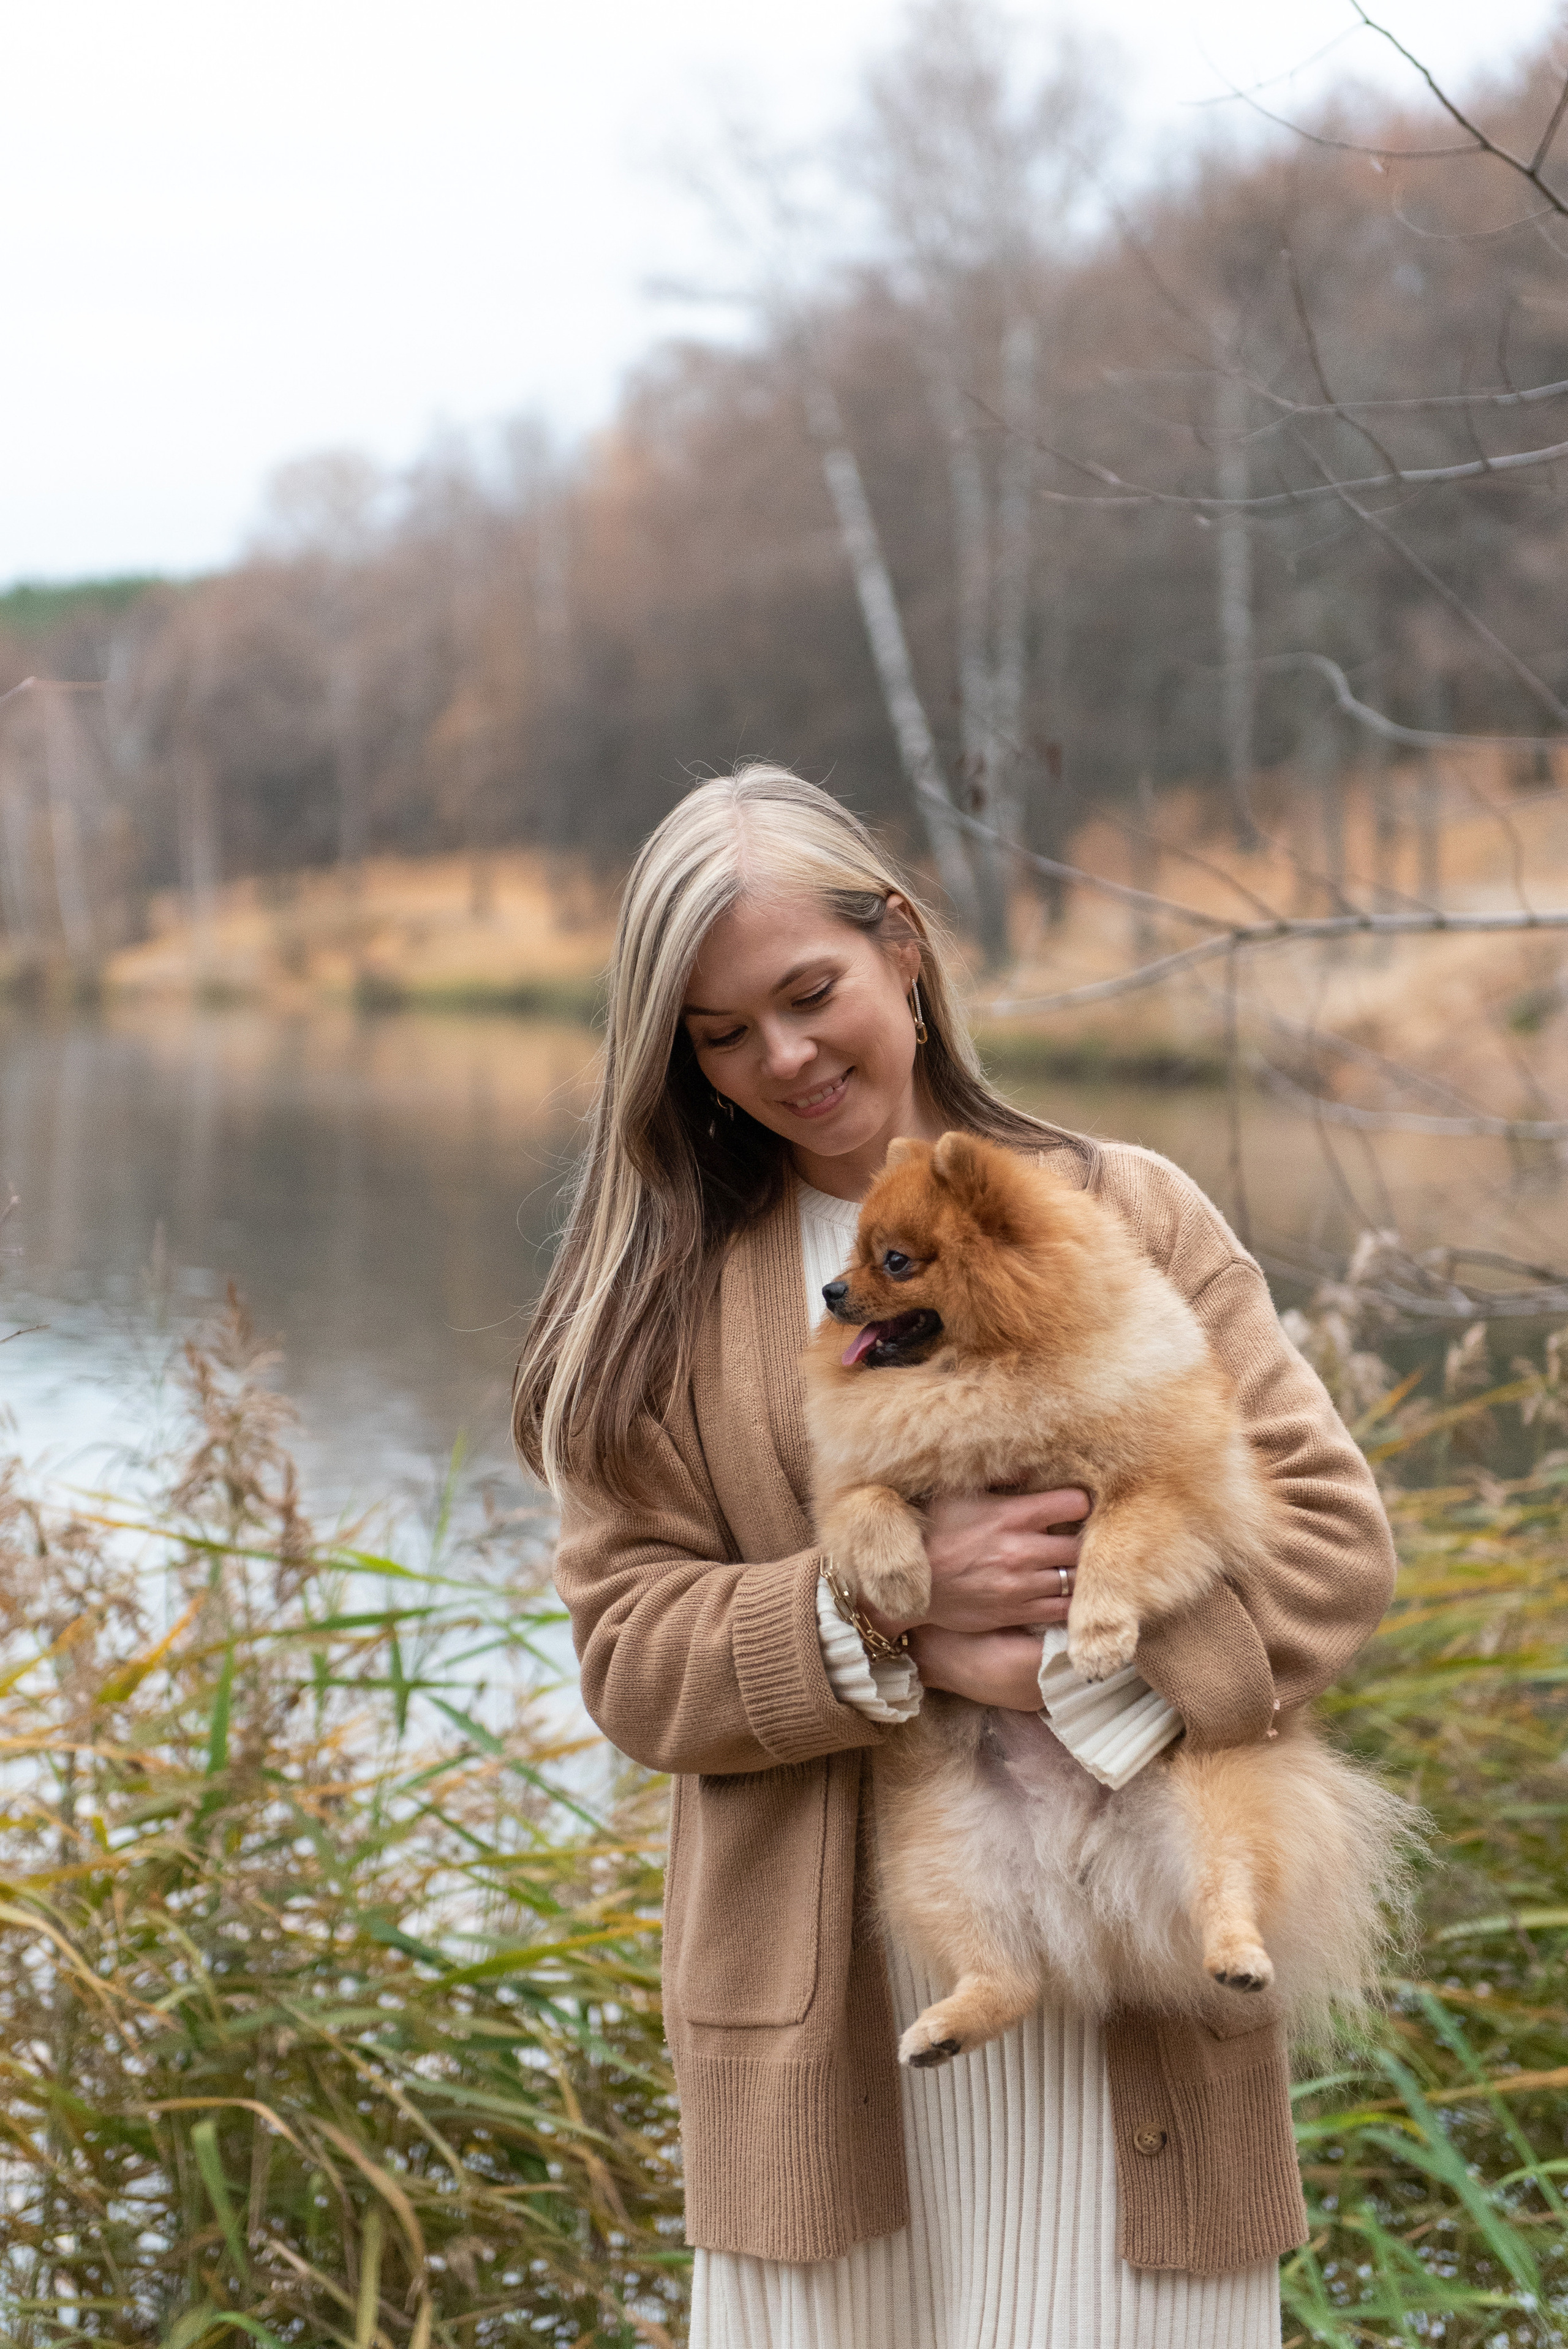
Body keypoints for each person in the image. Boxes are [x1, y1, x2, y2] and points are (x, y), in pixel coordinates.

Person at [513, 766, 1397, 2349]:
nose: (781, 1056)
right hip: (834, 2049)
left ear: (902, 950)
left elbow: (1332, 1545)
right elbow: (630, 1658)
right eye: (721, 1032)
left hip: (1139, 2005)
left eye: (808, 992)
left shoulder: (1128, 1207)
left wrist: (1089, 1666)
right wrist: (889, 1635)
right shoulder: (654, 1309)